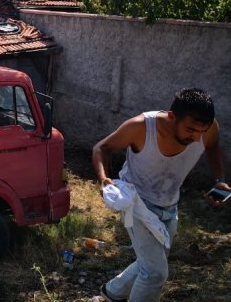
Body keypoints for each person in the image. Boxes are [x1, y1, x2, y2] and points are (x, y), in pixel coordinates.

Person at [92, 88, 229, 302]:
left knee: (152, 263)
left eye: (200, 132)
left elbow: (213, 148)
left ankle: (113, 292)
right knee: (155, 273)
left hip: (169, 206)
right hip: (137, 205)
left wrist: (219, 180)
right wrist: (104, 179)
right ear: (172, 116)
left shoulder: (208, 129)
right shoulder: (141, 127)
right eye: (190, 129)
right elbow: (102, 148)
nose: (195, 138)